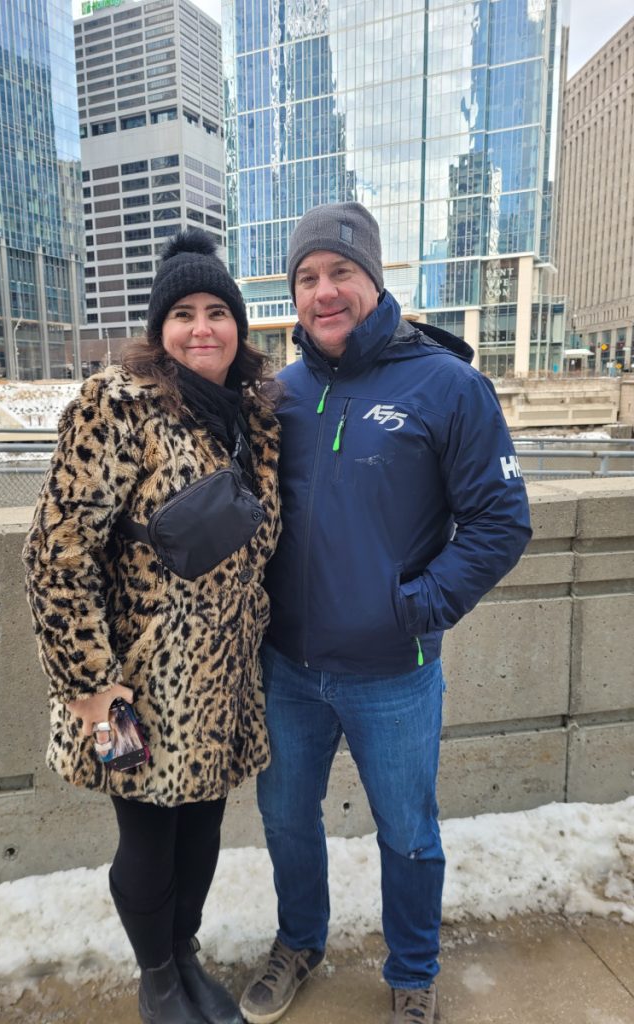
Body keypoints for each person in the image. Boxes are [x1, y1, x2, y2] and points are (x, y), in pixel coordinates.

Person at [238, 202, 532, 1024]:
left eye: (341, 273)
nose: (325, 292)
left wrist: (419, 607)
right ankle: (300, 940)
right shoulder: (278, 394)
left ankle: (412, 973)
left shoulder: (448, 385)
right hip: (287, 670)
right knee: (286, 820)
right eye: (307, 278)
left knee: (408, 831)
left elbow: (502, 521)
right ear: (293, 293)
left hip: (393, 674)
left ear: (374, 278)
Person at [23, 228, 281, 1024]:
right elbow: (56, 554)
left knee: (201, 833)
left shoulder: (253, 418)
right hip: (139, 679)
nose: (202, 328)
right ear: (157, 329)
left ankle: (186, 953)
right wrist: (93, 688)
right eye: (183, 313)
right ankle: (157, 976)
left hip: (224, 679)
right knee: (148, 842)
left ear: (239, 326)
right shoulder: (116, 407)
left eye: (217, 311)